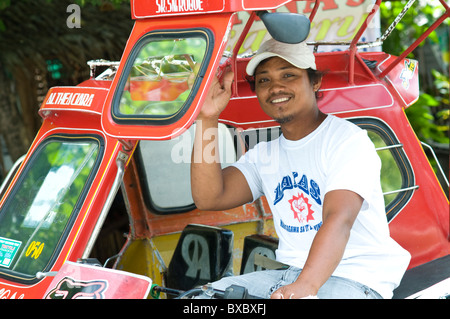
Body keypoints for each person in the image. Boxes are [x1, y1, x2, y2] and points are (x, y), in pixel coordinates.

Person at [190, 38, 411, 299]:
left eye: (288, 75)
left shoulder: (346, 140)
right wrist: (207, 117)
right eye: (264, 80)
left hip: (355, 279)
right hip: (288, 275)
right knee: (199, 300)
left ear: (314, 82)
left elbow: (338, 219)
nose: (275, 87)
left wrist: (306, 287)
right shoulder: (264, 155)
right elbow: (209, 196)